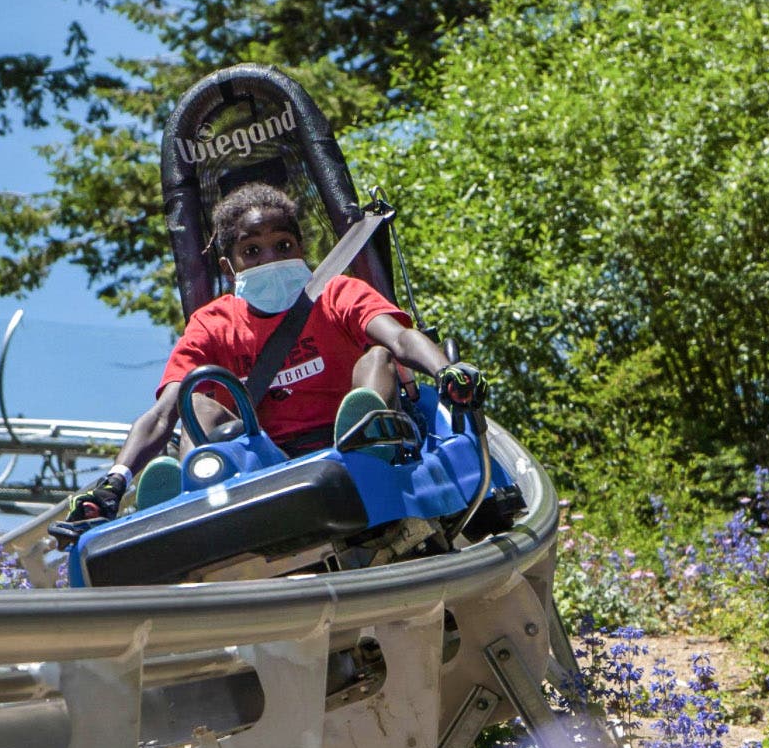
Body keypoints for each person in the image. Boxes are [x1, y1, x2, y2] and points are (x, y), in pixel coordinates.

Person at [54, 183, 486, 539]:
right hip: (267, 458)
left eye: (283, 245)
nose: (271, 259)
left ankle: (367, 443)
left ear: (301, 249)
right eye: (253, 252)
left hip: (349, 439)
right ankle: (193, 488)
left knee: (377, 355)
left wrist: (445, 371)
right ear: (230, 266)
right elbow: (163, 411)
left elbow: (400, 337)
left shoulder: (336, 294)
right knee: (196, 402)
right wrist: (114, 482)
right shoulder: (213, 323)